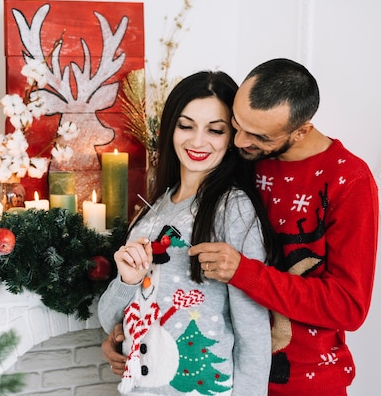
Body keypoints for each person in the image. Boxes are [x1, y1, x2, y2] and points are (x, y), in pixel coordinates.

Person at [103, 59, 379, 396]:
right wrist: (127, 339)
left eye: (256, 135)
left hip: (303, 379)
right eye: (236, 124)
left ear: (300, 131)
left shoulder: (348, 180)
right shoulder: (246, 160)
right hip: (223, 371)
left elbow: (348, 306)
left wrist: (244, 273)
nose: (239, 140)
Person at [98, 70, 279, 395]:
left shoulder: (233, 209)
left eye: (215, 130)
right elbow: (110, 320)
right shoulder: (151, 211)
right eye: (186, 125)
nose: (198, 141)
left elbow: (253, 333)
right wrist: (127, 282)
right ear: (170, 129)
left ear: (232, 137)